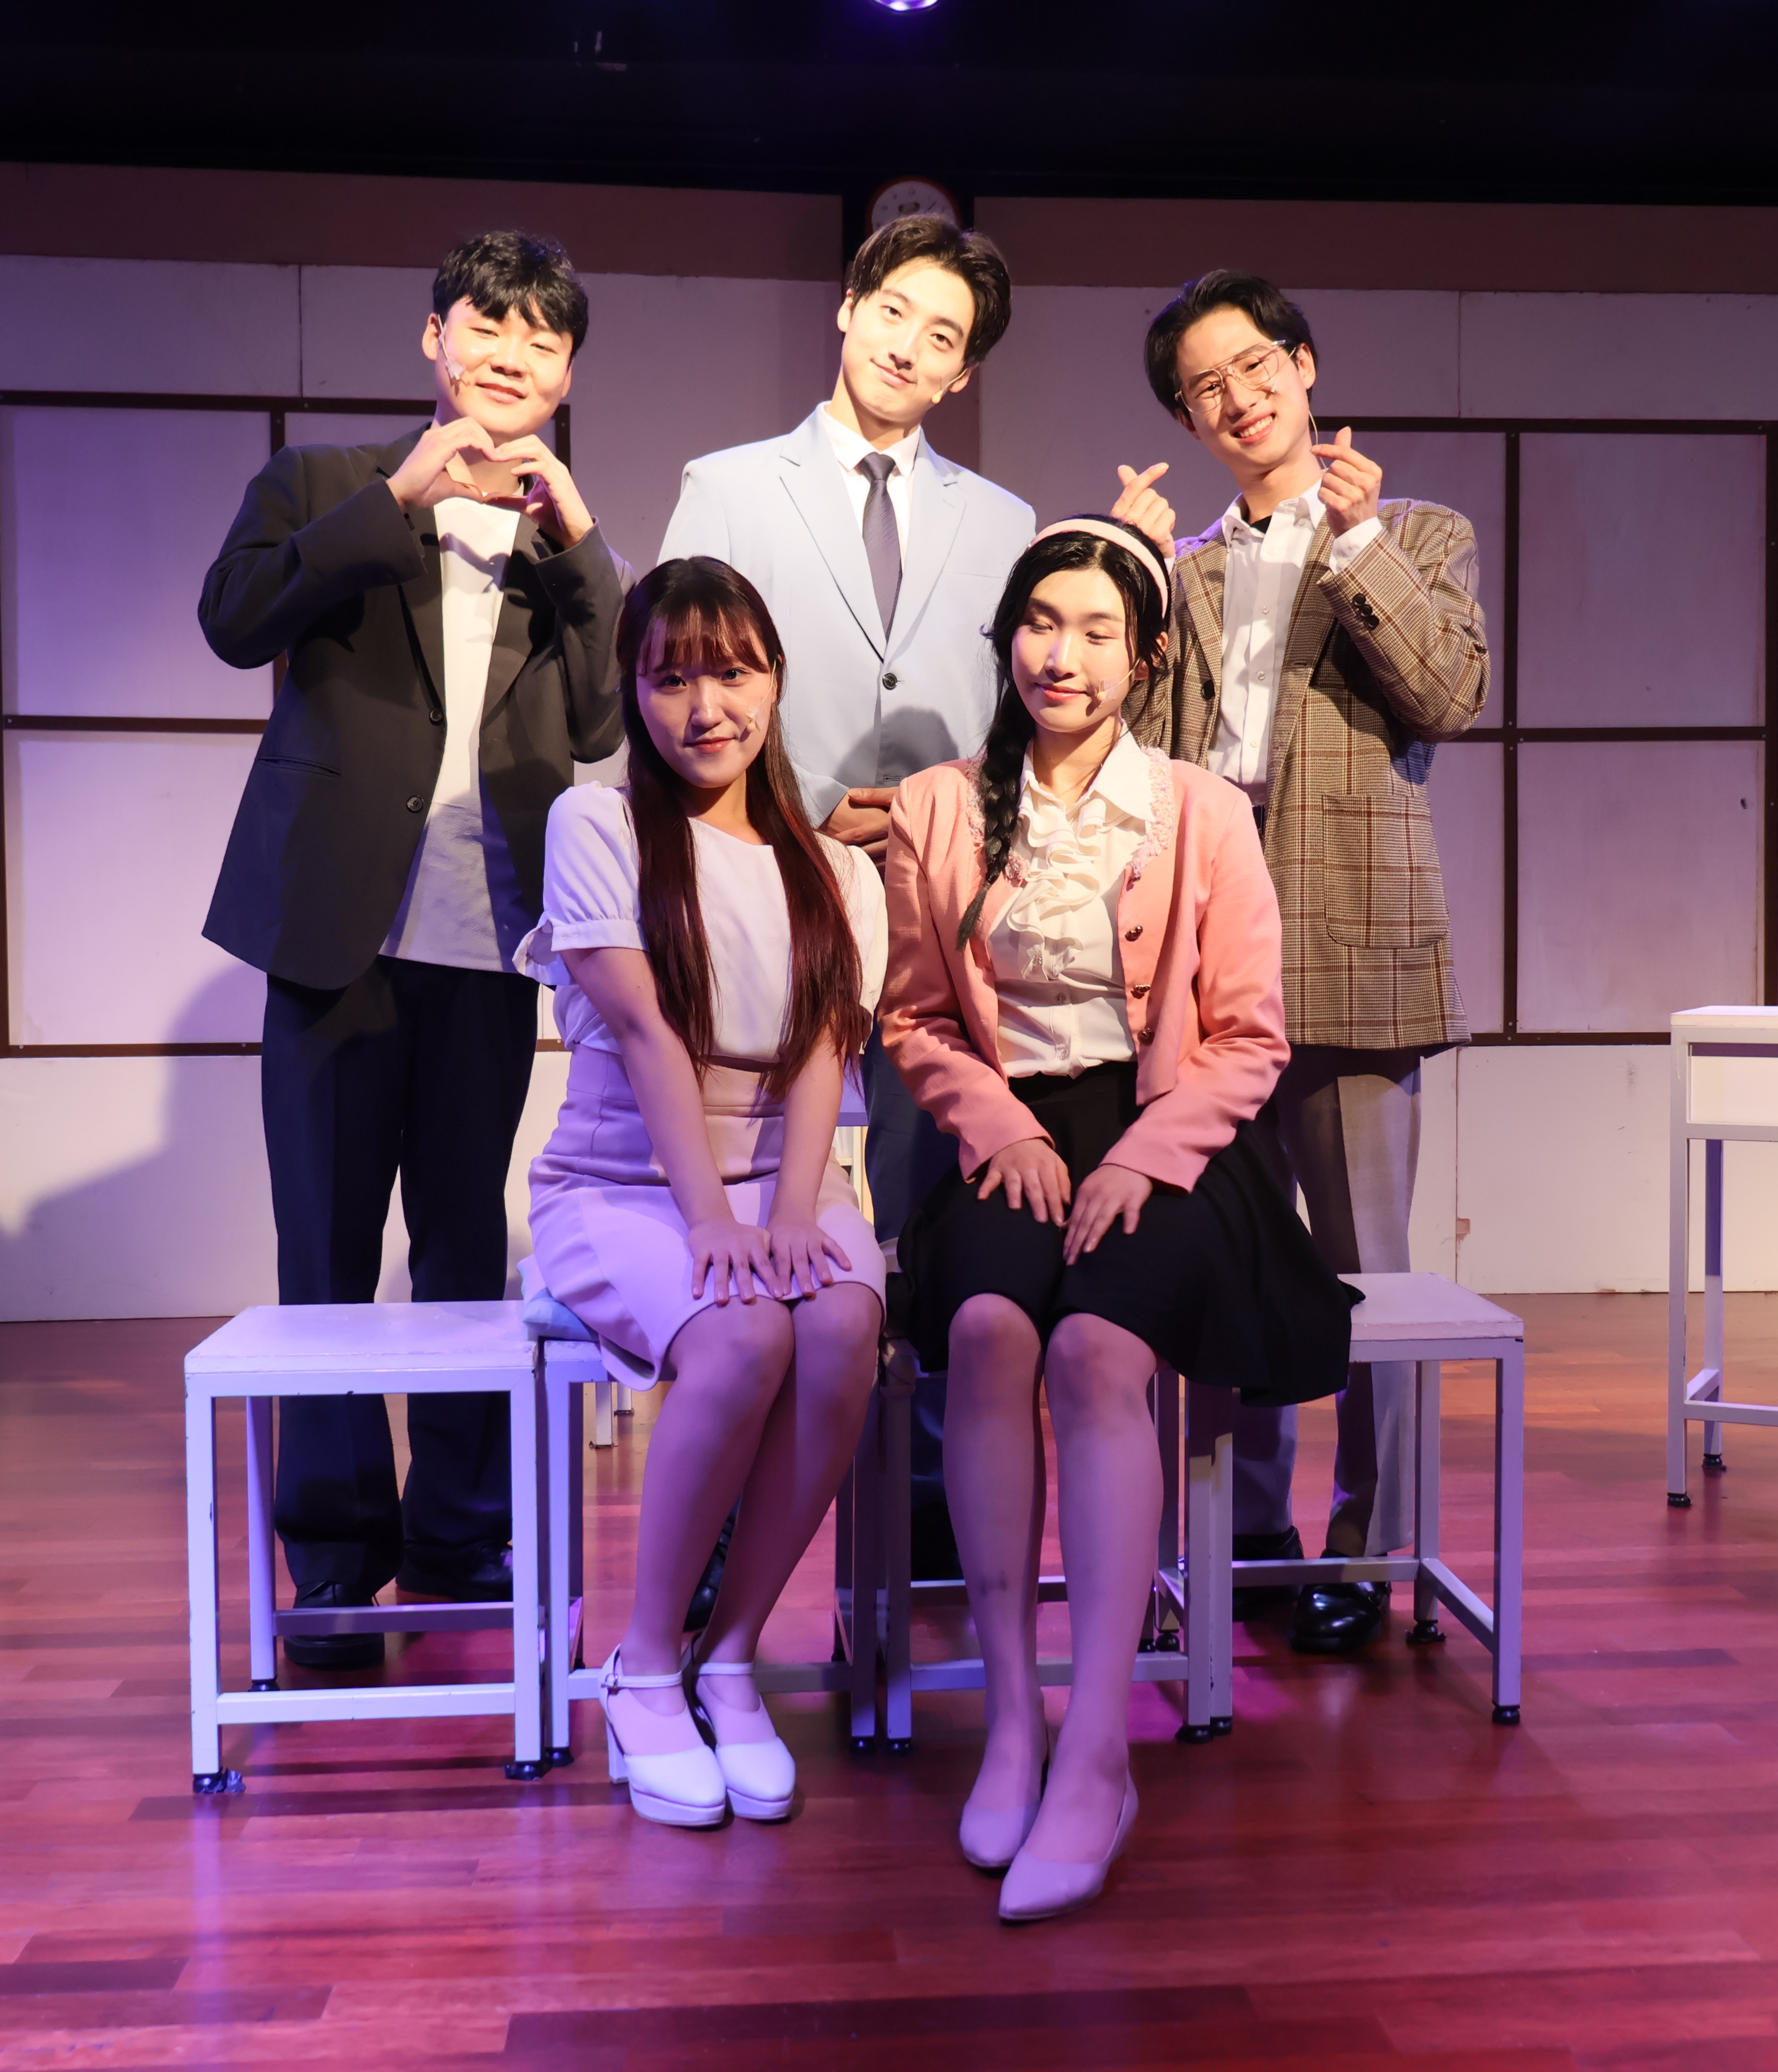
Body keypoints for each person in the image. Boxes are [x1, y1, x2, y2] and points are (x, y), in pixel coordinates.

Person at [881, 519, 1357, 1921]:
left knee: (1098, 1350)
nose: (1064, 654)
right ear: (1007, 639)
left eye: (1098, 631)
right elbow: (913, 1017)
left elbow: (1250, 1038)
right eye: (1042, 623)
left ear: (1144, 659)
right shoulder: (937, 807)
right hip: (1011, 1126)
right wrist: (998, 1125)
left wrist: (1147, 1155)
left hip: (1176, 1134)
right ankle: (1012, 1721)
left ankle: (1098, 1746)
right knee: (986, 1327)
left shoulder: (1204, 809)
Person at [199, 231, 625, 1665]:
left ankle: (459, 1533)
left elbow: (607, 718)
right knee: (323, 1249)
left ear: (567, 376)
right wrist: (397, 500)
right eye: (487, 327)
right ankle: (332, 1560)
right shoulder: (325, 480)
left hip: (489, 938)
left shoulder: (562, 544)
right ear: (435, 339)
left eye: (543, 341)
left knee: (463, 1250)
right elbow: (234, 619)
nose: (512, 356)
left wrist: (587, 548)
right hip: (336, 928)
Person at [1115, 270, 1490, 1657]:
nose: (1239, 397)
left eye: (1256, 366)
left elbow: (1450, 696)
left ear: (1306, 365)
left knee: (1369, 1274)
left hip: (1354, 940)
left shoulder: (1420, 531)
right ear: (1187, 417)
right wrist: (1124, 570)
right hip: (1207, 958)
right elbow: (1124, 751)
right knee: (1221, 1263)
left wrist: (1359, 542)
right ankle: (1242, 1537)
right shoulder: (1185, 568)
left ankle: (1375, 1549)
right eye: (1206, 386)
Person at [661, 213, 1037, 1579]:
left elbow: (1017, 717)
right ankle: (724, 1522)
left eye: (944, 338)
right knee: (769, 1183)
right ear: (847, 307)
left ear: (962, 372)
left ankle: (923, 1521)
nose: (909, 348)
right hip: (776, 884)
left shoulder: (1004, 521)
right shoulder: (728, 485)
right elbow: (683, 673)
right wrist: (809, 800)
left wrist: (942, 820)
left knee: (934, 1201)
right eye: (895, 313)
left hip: (940, 908)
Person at [520, 557, 888, 1830]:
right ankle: (642, 1665)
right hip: (625, 1178)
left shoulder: (838, 870)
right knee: (739, 1333)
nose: (704, 705)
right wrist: (714, 1222)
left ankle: (730, 1654)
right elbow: (645, 1034)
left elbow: (825, 1052)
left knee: (841, 1320)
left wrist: (790, 1212)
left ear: (775, 680)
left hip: (784, 1172)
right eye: (670, 676)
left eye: (731, 671)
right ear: (633, 689)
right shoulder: (598, 824)